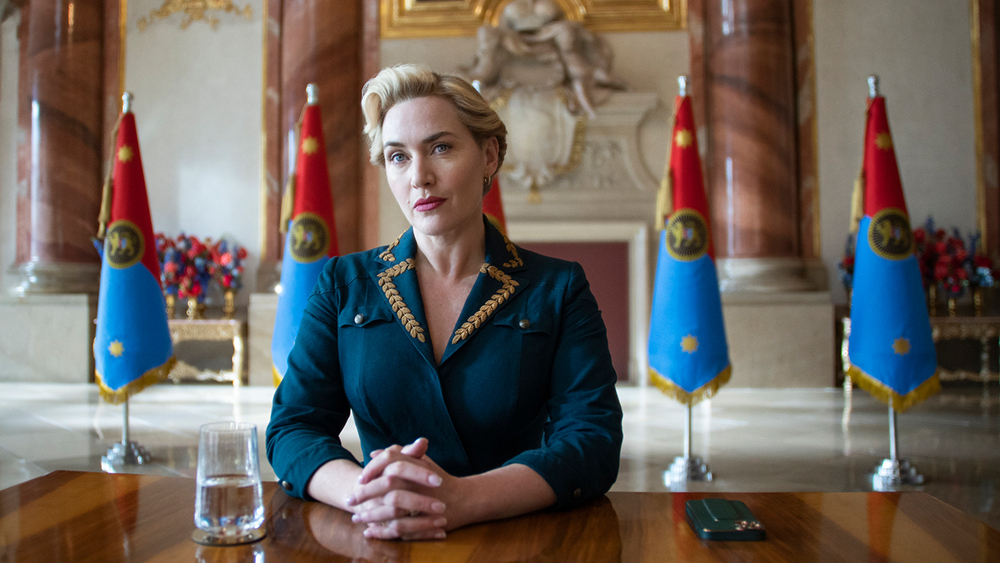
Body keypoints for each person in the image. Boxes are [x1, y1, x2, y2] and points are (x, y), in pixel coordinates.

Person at [266, 63, 623, 541]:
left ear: (489, 156)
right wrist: (369, 493)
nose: (420, 177)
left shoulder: (557, 287)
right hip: (379, 533)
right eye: (397, 157)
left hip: (514, 538)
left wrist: (465, 500)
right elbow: (293, 427)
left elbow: (592, 441)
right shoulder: (343, 283)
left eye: (440, 148)